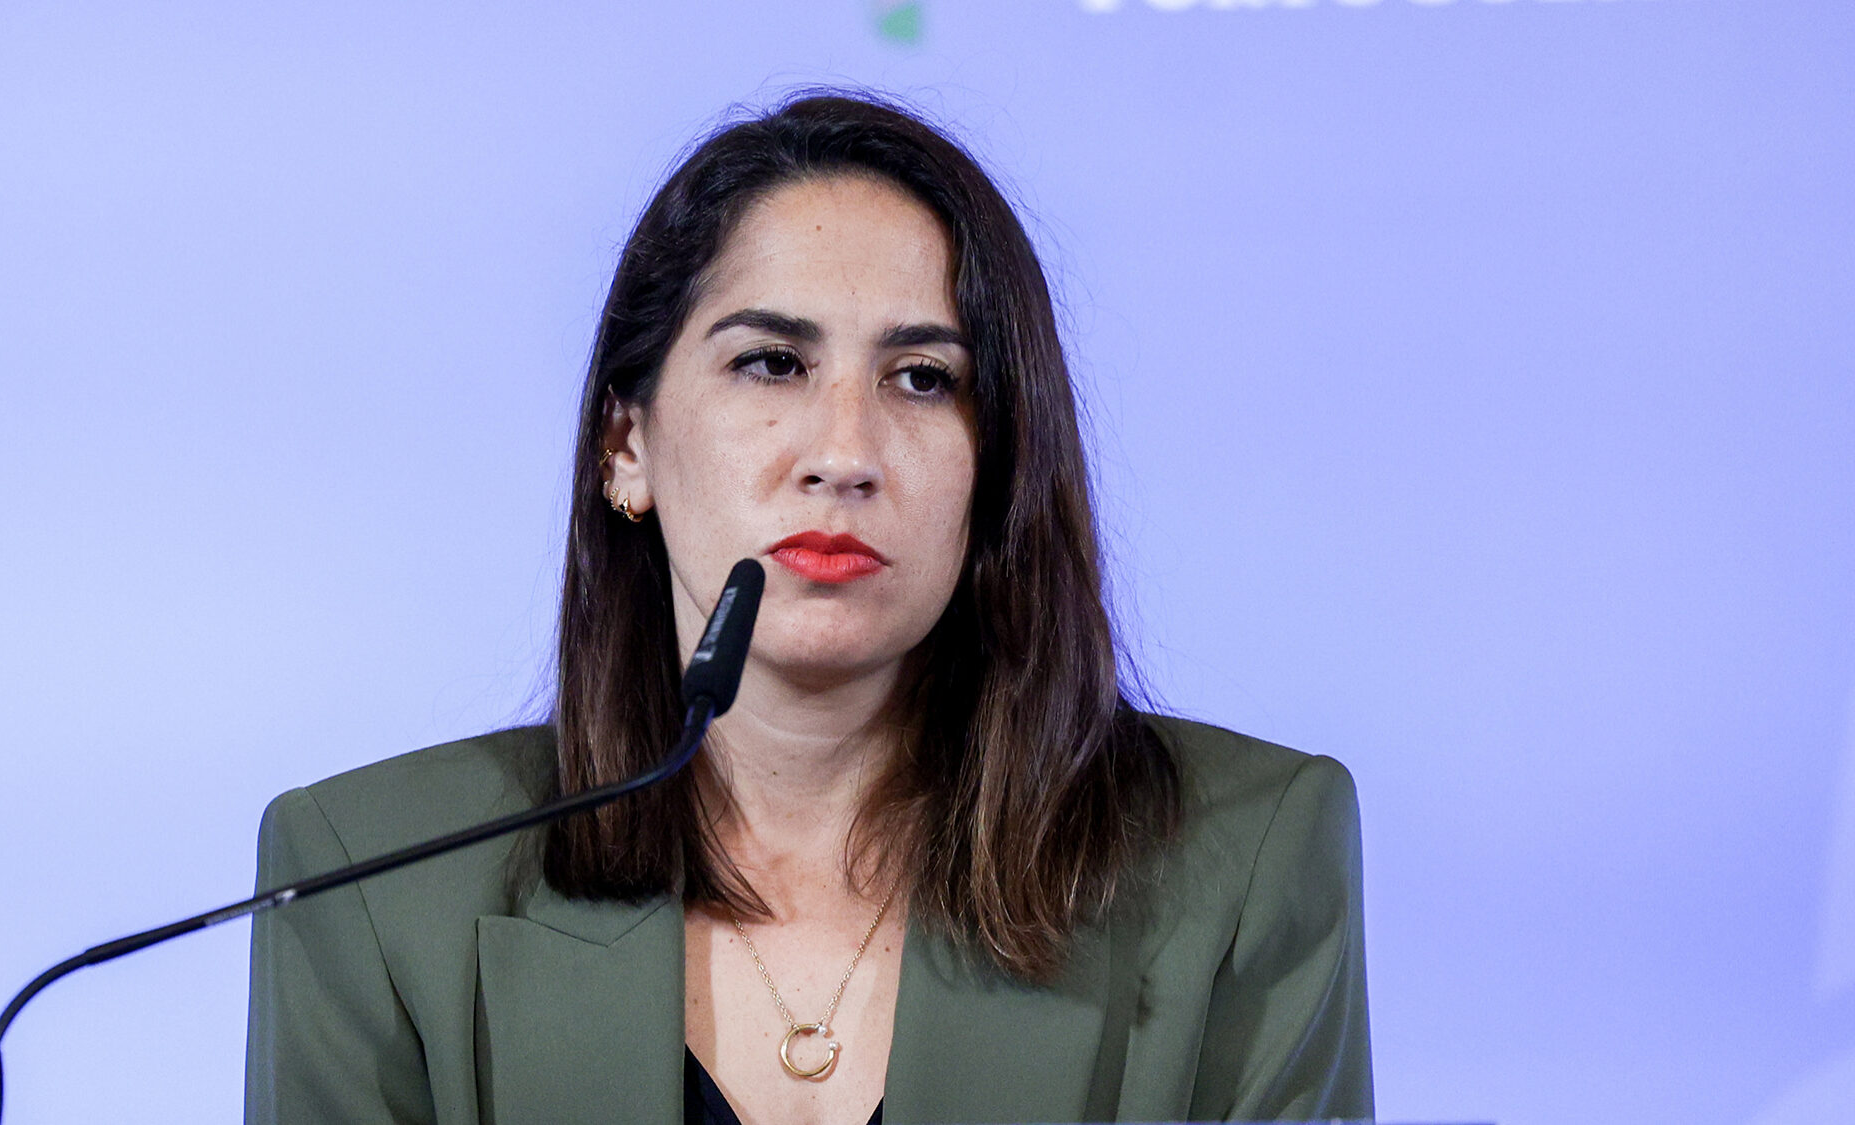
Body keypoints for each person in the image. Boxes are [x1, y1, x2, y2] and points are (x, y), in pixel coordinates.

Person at [246, 92, 1371, 1125]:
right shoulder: (373, 881)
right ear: (625, 444)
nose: (843, 454)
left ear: (999, 461)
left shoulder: (1246, 858)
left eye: (922, 378)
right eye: (773, 363)